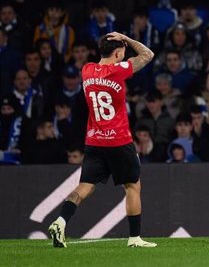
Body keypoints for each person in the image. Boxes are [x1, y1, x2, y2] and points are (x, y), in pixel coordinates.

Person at [48, 32, 156, 248]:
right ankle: (134, 238)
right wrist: (127, 38)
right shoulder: (119, 70)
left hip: (95, 141)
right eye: (122, 53)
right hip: (119, 141)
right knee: (132, 186)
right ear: (117, 53)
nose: (123, 57)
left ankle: (60, 221)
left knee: (85, 186)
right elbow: (148, 54)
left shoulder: (86, 70)